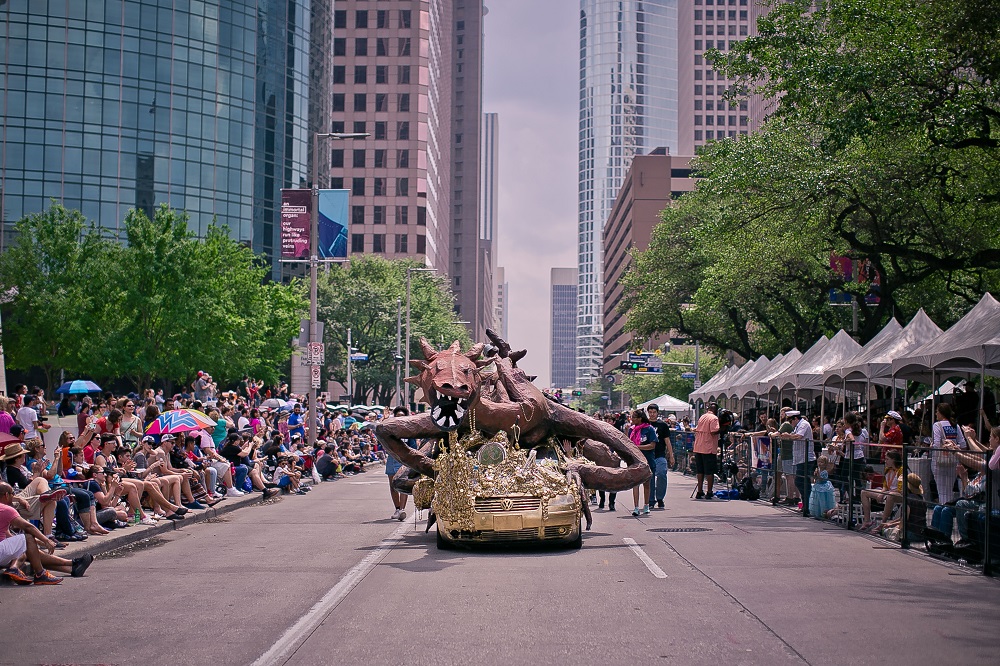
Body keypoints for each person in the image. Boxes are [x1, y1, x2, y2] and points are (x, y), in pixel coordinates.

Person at [0, 482, 94, 584]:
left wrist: (38, 543)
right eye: (12, 493)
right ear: (6, 495)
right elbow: (28, 527)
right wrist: (46, 540)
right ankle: (40, 574)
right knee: (27, 538)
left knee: (31, 551)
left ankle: (71, 567)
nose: (14, 496)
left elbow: (9, 536)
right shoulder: (7, 510)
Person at [385, 407, 417, 521]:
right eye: (397, 415)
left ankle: (402, 510)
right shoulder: (389, 429)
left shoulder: (409, 430)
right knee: (393, 485)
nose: (399, 417)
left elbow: (413, 446)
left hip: (404, 460)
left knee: (402, 484)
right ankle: (397, 509)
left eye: (402, 415)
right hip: (392, 458)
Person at [931, 403, 967, 505]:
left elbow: (937, 444)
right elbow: (963, 444)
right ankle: (948, 509)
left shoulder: (937, 425)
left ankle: (943, 510)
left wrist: (931, 446)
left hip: (939, 461)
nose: (936, 414)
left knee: (941, 490)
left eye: (937, 411)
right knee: (949, 489)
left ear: (941, 413)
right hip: (954, 460)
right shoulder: (955, 425)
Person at [860, 449, 903, 532]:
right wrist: (882, 493)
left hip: (899, 493)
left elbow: (900, 489)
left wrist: (885, 493)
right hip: (888, 491)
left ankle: (882, 524)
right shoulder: (887, 469)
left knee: (890, 496)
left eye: (887, 459)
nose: (885, 461)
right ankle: (867, 520)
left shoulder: (901, 470)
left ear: (893, 459)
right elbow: (885, 486)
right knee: (864, 492)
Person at [645, 404, 676, 509]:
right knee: (650, 478)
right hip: (648, 455)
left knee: (662, 474)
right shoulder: (645, 424)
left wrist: (671, 455)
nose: (652, 414)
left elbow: (667, 441)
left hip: (660, 455)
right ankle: (650, 500)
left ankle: (660, 498)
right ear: (648, 413)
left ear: (657, 413)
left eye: (654, 412)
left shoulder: (662, 425)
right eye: (650, 412)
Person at [693, 403, 721, 500]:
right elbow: (714, 431)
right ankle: (709, 491)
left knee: (700, 470)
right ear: (716, 410)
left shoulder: (702, 417)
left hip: (698, 446)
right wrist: (723, 429)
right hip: (708, 448)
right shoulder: (714, 418)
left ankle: (699, 491)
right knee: (710, 471)